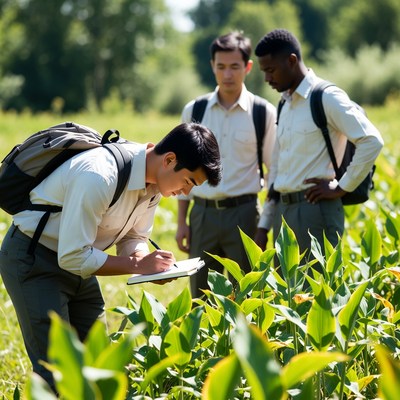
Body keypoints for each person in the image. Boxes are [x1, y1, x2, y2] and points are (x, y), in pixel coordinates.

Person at [0, 122, 222, 391]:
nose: (186, 192)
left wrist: (150, 265)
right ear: (169, 159)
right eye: (188, 181)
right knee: (56, 372)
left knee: (103, 364)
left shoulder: (154, 184)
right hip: (34, 259)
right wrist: (138, 264)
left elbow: (133, 238)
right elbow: (73, 256)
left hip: (79, 262)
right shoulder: (99, 175)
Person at [254, 28, 384, 261]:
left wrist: (342, 187)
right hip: (283, 214)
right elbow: (277, 168)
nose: (267, 78)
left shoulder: (326, 97)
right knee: (289, 296)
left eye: (270, 70)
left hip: (316, 211)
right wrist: (264, 225)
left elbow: (371, 140)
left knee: (318, 294)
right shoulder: (284, 104)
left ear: (292, 61)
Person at [175, 31, 276, 298]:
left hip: (244, 215)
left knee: (247, 297)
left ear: (248, 67)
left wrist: (264, 226)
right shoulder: (194, 110)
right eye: (221, 67)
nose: (227, 74)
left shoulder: (263, 112)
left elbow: (274, 172)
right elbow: (183, 171)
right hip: (202, 215)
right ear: (212, 66)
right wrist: (181, 221)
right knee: (200, 297)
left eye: (234, 67)